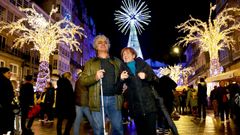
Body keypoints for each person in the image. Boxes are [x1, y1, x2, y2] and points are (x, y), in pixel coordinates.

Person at [79, 34, 123, 135]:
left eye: (105, 42)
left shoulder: (116, 61)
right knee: (98, 129)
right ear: (95, 46)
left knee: (118, 128)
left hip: (114, 99)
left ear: (108, 45)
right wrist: (95, 77)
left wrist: (124, 83)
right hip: (97, 100)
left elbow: (124, 76)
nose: (103, 44)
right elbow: (83, 80)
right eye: (100, 42)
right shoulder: (90, 63)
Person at [119, 47, 157, 135]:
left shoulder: (143, 65)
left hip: (149, 106)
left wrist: (146, 76)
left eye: (127, 53)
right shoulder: (122, 70)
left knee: (151, 132)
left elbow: (155, 79)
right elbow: (117, 89)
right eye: (123, 54)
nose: (125, 55)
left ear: (133, 55)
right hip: (136, 109)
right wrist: (121, 79)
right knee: (140, 132)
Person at [73, 69, 94, 135]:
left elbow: (75, 92)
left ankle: (76, 133)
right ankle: (98, 131)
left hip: (78, 103)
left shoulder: (77, 81)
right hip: (84, 103)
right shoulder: (84, 80)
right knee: (91, 119)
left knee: (77, 121)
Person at [0, 67, 15, 135]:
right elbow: (7, 94)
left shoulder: (5, 80)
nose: (10, 74)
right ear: (3, 73)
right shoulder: (5, 81)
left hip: (4, 105)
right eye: (8, 73)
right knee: (5, 122)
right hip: (4, 105)